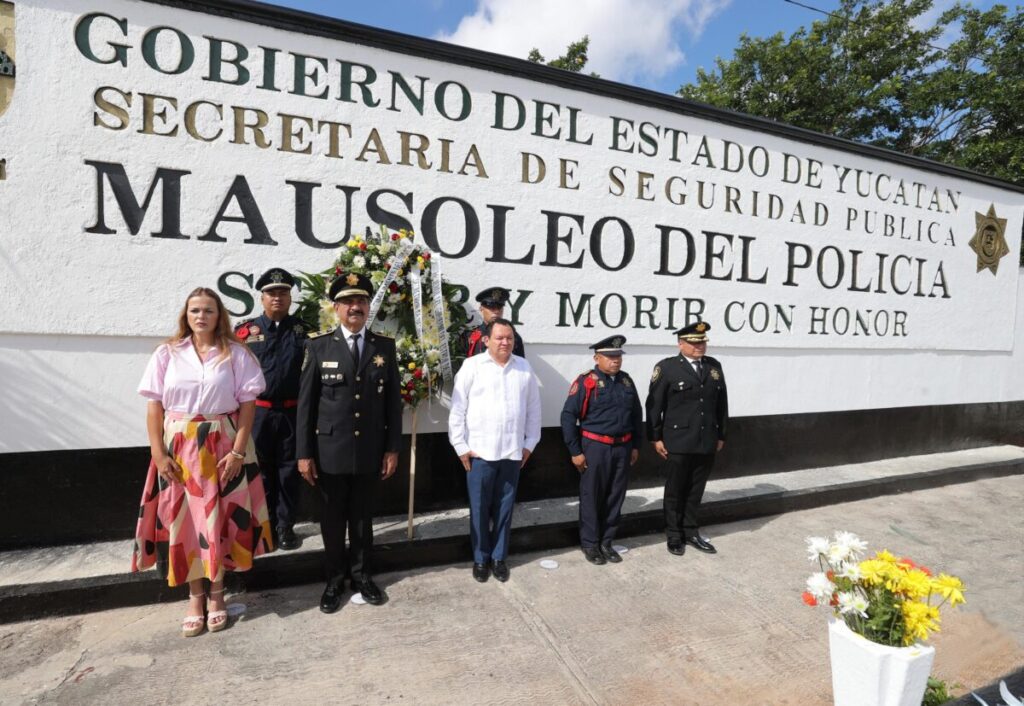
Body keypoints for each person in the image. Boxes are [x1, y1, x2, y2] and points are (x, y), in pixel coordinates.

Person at [132, 287, 274, 637]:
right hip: (179, 449)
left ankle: (217, 596)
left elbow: (247, 406)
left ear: (218, 315)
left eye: (208, 310)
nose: (201, 316)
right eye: (195, 310)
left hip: (223, 445)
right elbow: (154, 406)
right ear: (186, 315)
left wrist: (238, 452)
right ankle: (195, 597)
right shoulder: (167, 353)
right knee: (186, 523)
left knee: (221, 521)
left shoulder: (237, 354)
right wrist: (157, 452)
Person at [296, 272, 401, 613]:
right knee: (331, 519)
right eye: (349, 302)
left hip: (369, 451)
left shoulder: (384, 347)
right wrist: (304, 454)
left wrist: (392, 448)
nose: (356, 307)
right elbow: (306, 406)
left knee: (362, 519)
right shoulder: (318, 345)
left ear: (369, 307)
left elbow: (393, 406)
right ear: (336, 307)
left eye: (362, 301)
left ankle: (362, 576)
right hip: (329, 453)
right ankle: (333, 580)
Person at [448, 318, 541, 583]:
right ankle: (480, 559)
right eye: (500, 338)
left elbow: (534, 410)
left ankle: (499, 557)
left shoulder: (523, 368)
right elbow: (458, 409)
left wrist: (530, 443)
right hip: (479, 454)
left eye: (509, 338)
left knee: (505, 508)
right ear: (486, 340)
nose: (505, 342)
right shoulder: (472, 367)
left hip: (512, 453)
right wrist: (460, 446)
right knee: (478, 508)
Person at [235, 267, 309, 551]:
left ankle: (285, 526)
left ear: (290, 298)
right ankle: (263, 527)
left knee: (290, 472)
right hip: (258, 414)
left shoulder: (304, 331)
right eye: (271, 293)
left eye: (283, 293)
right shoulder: (245, 332)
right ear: (262, 298)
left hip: (292, 412)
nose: (277, 297)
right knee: (260, 471)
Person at [645, 321, 729, 556]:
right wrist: (655, 437)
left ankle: (691, 532)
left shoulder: (714, 366)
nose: (699, 346)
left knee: (695, 489)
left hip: (706, 439)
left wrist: (721, 433)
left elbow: (721, 403)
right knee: (675, 490)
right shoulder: (667, 368)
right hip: (677, 440)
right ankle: (673, 535)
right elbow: (654, 406)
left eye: (702, 342)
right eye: (693, 342)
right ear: (680, 344)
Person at [560, 335, 643, 565]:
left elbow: (636, 415)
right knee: (591, 496)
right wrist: (575, 451)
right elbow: (568, 416)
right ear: (597, 357)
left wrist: (636, 445)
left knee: (615, 496)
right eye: (610, 356)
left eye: (618, 356)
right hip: (595, 447)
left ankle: (607, 541)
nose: (615, 360)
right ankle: (590, 544)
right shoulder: (587, 381)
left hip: (623, 447)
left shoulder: (626, 381)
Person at [464, 287, 525, 358]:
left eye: (499, 307)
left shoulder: (513, 337)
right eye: (491, 307)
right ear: (481, 309)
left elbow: (520, 364)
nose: (496, 311)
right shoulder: (469, 336)